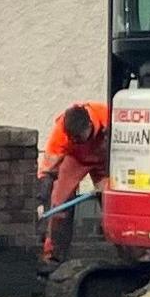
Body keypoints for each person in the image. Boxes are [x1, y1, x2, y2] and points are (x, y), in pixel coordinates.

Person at [39, 98, 112, 263]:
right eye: (72, 138)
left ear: (89, 125)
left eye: (78, 137)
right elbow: (50, 162)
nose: (74, 140)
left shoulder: (107, 116)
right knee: (59, 202)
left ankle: (122, 247)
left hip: (104, 161)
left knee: (112, 201)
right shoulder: (62, 131)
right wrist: (45, 179)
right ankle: (54, 253)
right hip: (75, 160)